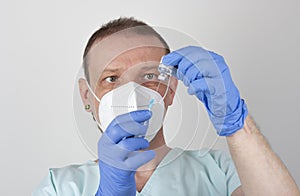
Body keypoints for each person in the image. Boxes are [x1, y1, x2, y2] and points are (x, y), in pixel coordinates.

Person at [33, 17, 300, 196]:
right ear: (86, 97)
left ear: (170, 90)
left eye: (149, 76)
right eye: (111, 78)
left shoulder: (220, 171)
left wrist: (237, 124)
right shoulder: (61, 187)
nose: (131, 93)